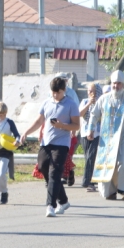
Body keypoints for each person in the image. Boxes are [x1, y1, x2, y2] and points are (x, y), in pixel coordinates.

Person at [21, 75, 81, 217]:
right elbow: (39, 121)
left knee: (55, 173)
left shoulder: (71, 104)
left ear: (64, 90)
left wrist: (62, 125)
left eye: (58, 92)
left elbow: (77, 125)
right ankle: (64, 201)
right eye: (53, 92)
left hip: (61, 143)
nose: (55, 95)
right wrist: (25, 132)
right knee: (43, 167)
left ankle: (50, 205)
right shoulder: (47, 103)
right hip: (46, 142)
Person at [88, 70, 124, 200]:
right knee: (108, 163)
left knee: (123, 163)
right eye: (114, 83)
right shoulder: (103, 99)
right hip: (106, 138)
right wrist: (91, 129)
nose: (116, 86)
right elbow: (94, 114)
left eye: (119, 84)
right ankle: (110, 192)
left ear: (123, 85)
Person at [79, 82, 101, 192]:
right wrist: (89, 104)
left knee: (91, 156)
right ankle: (91, 181)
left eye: (92, 91)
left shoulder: (101, 102)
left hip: (97, 133)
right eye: (88, 91)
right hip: (85, 133)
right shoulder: (84, 101)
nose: (90, 93)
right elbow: (80, 114)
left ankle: (88, 182)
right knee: (87, 157)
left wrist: (96, 103)